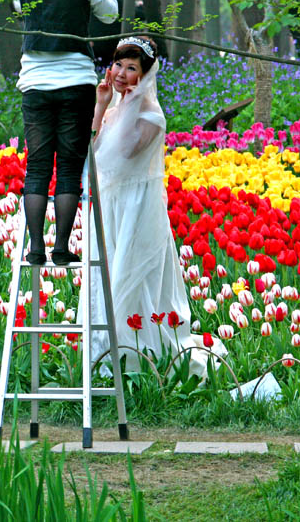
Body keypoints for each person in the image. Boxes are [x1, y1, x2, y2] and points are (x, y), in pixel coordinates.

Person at [89, 37, 227, 373]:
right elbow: (91, 156)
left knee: (134, 276)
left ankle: (138, 357)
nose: (120, 73)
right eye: (118, 64)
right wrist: (100, 106)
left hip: (138, 206)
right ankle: (105, 353)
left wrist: (116, 108)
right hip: (111, 203)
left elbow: (119, 157)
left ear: (146, 74)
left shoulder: (151, 115)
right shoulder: (114, 107)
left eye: (131, 68)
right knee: (107, 274)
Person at [13, 0, 118, 265]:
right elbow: (110, 14)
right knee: (70, 167)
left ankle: (35, 249)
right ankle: (61, 248)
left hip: (36, 82)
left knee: (38, 166)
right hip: (76, 81)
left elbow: (20, 7)